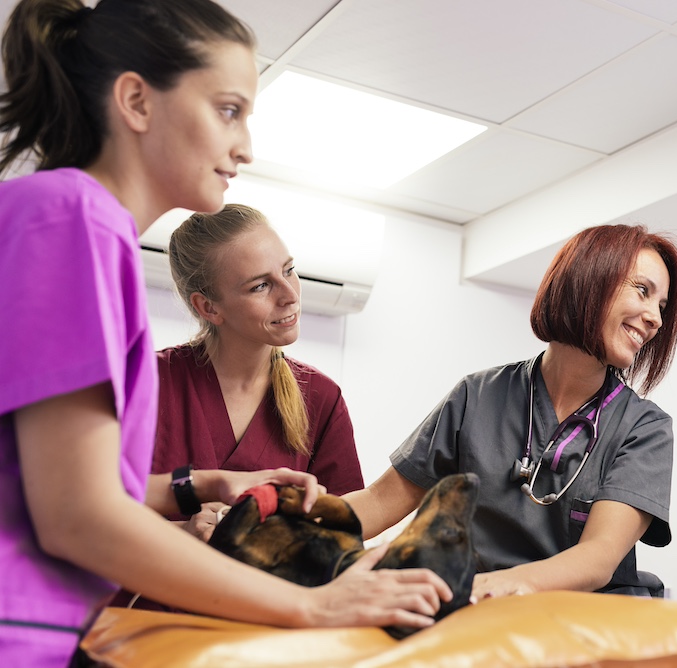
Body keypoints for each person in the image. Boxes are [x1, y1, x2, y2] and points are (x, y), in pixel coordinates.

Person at [0, 1, 449, 666]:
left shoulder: (88, 227)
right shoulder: (74, 217)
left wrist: (202, 485)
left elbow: (58, 483)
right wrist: (313, 605)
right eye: (228, 110)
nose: (244, 146)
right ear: (136, 101)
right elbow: (77, 515)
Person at [344, 224, 677, 600]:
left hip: (580, 616)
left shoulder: (645, 428)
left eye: (662, 306)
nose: (655, 318)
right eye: (643, 290)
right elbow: (379, 501)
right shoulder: (478, 396)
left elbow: (597, 559)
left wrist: (481, 588)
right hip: (475, 604)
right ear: (590, 278)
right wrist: (292, 517)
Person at [156, 204, 364, 515]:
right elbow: (89, 509)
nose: (290, 295)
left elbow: (340, 530)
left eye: (289, 270)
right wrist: (180, 534)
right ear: (209, 308)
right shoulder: (149, 382)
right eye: (260, 286)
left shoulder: (321, 398)